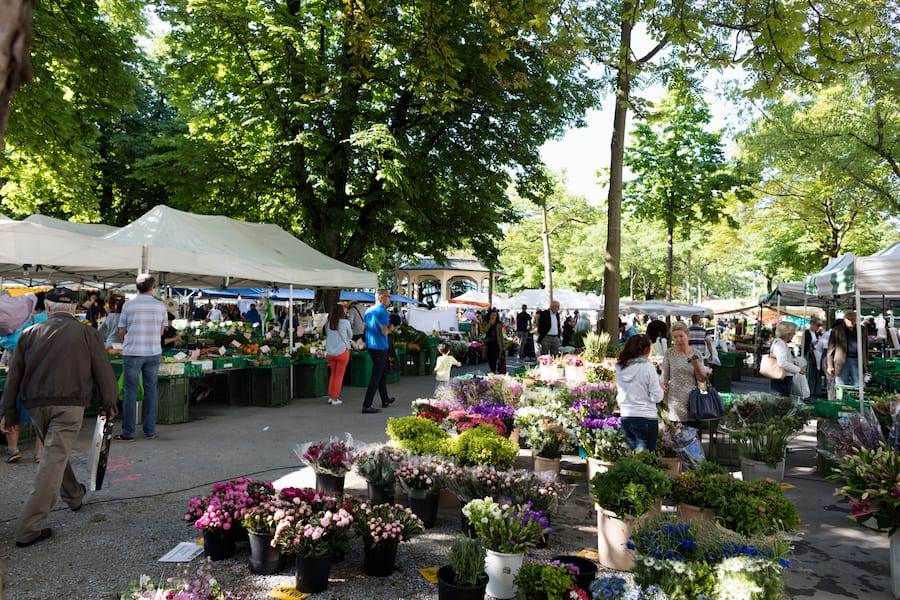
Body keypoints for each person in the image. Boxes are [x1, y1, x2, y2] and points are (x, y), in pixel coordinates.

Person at [0, 287, 118, 547]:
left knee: (56, 453)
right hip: (70, 404)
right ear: (74, 310)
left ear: (49, 309)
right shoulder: (87, 332)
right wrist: (109, 403)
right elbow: (103, 371)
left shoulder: (28, 333)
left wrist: (8, 412)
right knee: (53, 459)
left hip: (35, 405)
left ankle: (74, 496)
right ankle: (28, 529)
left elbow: (14, 376)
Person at [117, 274, 168, 441]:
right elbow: (161, 331)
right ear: (152, 287)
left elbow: (122, 332)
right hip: (153, 351)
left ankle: (128, 433)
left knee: (130, 392)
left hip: (132, 352)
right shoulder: (160, 306)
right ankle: (149, 431)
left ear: (136, 287)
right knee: (151, 391)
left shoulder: (128, 305)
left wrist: (129, 341)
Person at [1, 292, 47, 463]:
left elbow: (6, 342)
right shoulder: (47, 318)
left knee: (11, 406)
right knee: (41, 410)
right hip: (41, 371)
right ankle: (40, 453)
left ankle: (13, 449)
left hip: (17, 370)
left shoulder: (17, 319)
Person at [615, 334, 664, 451]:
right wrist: (661, 388)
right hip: (646, 416)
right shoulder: (647, 367)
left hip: (626, 416)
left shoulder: (621, 367)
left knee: (634, 459)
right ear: (646, 350)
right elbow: (656, 397)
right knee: (645, 462)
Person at [661, 321, 708, 434]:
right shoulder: (669, 353)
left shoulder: (696, 353)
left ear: (688, 336)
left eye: (681, 336)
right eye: (675, 337)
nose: (678, 340)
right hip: (674, 401)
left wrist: (696, 365)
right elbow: (664, 377)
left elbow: (702, 380)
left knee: (693, 438)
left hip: (693, 402)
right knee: (675, 438)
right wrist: (662, 394)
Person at [362, 289, 396, 414]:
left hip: (371, 345)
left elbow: (364, 328)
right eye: (388, 296)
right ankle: (367, 404)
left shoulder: (369, 310)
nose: (389, 299)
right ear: (381, 298)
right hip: (380, 347)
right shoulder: (383, 312)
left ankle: (385, 399)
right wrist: (391, 328)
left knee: (381, 373)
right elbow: (384, 331)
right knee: (376, 376)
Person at [827, 310, 868, 388]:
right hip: (841, 361)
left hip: (857, 360)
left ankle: (858, 400)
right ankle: (841, 399)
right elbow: (830, 349)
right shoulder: (836, 330)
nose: (851, 321)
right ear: (844, 319)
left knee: (859, 385)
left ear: (856, 319)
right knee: (841, 385)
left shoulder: (863, 330)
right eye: (849, 319)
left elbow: (865, 347)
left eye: (853, 318)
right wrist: (830, 365)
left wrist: (865, 363)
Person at [324, 304, 353, 406]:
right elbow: (351, 335)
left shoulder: (328, 323)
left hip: (330, 352)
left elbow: (327, 334)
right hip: (342, 352)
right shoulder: (345, 322)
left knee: (333, 374)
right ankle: (335, 398)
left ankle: (330, 396)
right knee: (339, 376)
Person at [769, 321, 803, 397]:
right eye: (793, 332)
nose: (794, 334)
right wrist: (798, 369)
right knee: (781, 402)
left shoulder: (779, 342)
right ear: (787, 333)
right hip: (782, 378)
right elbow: (782, 363)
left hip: (781, 377)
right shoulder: (781, 344)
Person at [802, 317, 823, 398]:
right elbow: (805, 345)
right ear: (812, 323)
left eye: (820, 325)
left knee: (815, 373)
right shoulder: (807, 332)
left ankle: (815, 391)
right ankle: (809, 391)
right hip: (809, 355)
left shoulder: (817, 334)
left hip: (816, 355)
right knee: (809, 373)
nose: (818, 327)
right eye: (818, 325)